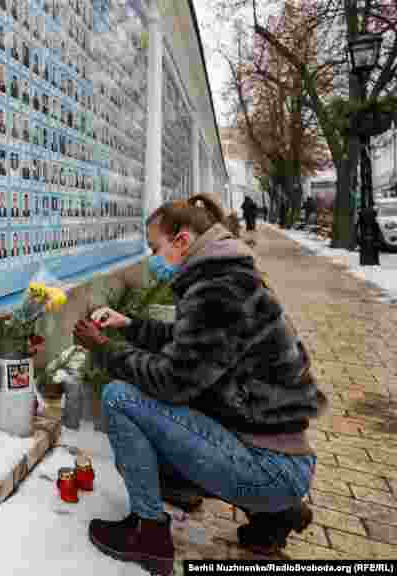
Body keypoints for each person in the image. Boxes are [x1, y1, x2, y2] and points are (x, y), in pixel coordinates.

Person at [74, 198, 327, 573]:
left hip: (268, 467)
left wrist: (104, 350)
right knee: (174, 415)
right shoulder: (226, 277)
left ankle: (149, 535)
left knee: (120, 398)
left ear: (181, 242)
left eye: (154, 248)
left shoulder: (217, 290)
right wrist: (130, 326)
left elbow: (171, 381)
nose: (152, 259)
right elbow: (191, 342)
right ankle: (276, 514)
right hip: (279, 456)